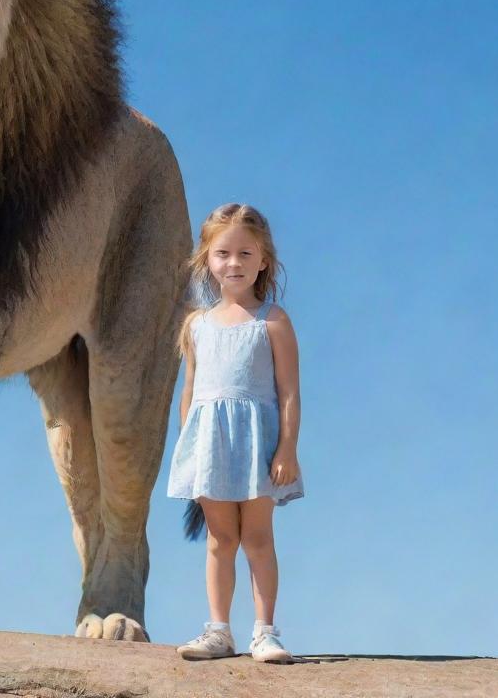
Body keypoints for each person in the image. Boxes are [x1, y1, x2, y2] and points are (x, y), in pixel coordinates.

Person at [167, 203, 304, 663]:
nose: (234, 263)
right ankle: (218, 630)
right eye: (223, 253)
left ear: (263, 259)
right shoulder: (196, 325)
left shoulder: (273, 321)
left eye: (246, 253)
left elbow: (288, 393)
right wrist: (189, 449)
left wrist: (287, 447)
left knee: (258, 538)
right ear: (207, 258)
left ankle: (265, 632)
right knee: (219, 539)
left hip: (257, 445)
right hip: (209, 446)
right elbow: (190, 393)